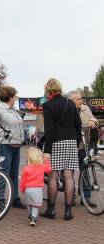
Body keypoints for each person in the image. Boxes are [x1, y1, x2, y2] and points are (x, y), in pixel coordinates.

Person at [41, 79, 81, 221]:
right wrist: (77, 142)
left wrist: (47, 150)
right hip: (71, 141)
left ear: (48, 90)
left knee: (53, 176)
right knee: (69, 176)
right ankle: (68, 212)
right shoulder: (70, 103)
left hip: (56, 143)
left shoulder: (47, 105)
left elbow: (49, 130)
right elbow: (78, 124)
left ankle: (51, 210)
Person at [68, 90, 98, 206]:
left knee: (85, 171)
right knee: (69, 173)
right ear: (71, 101)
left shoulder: (85, 108)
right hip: (70, 146)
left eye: (81, 98)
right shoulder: (67, 110)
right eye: (78, 99)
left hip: (83, 145)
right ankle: (71, 196)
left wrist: (92, 121)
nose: (81, 101)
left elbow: (93, 118)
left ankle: (86, 197)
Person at [20, 147, 52, 226]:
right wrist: (47, 161)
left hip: (28, 189)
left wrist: (22, 188)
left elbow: (23, 180)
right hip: (38, 189)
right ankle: (33, 218)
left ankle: (29, 215)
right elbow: (49, 170)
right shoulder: (42, 166)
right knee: (35, 205)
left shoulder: (26, 168)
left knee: (29, 203)